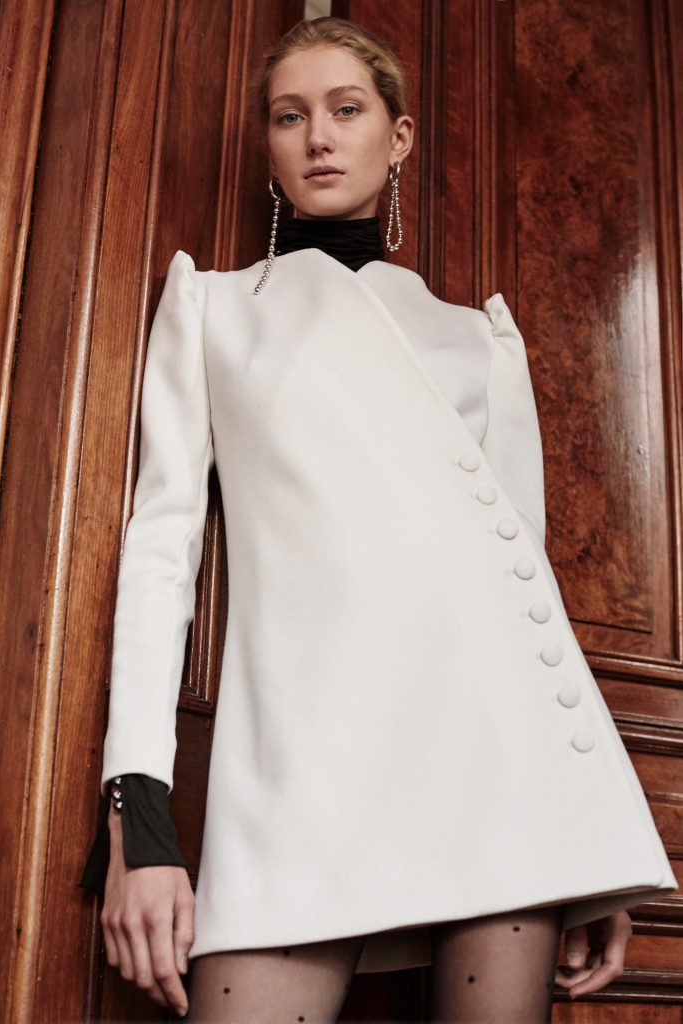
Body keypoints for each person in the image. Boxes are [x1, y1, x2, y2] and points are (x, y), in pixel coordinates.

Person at [81, 15, 677, 1023]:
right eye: (290, 116)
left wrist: (589, 849)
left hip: (496, 772)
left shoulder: (478, 339)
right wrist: (136, 809)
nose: (318, 136)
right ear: (269, 146)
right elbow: (158, 556)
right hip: (300, 773)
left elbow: (526, 585)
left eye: (346, 109)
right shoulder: (216, 307)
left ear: (397, 138)